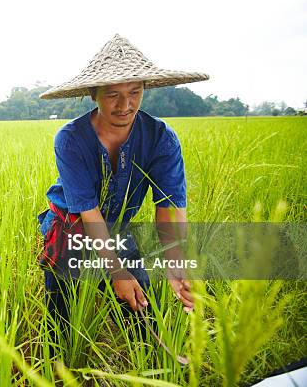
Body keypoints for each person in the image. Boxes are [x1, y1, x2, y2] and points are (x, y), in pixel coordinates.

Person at [37, 34, 209, 352]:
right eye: (113, 94)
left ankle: (155, 366)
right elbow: (88, 213)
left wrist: (175, 264)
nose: (125, 105)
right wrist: (115, 271)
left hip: (116, 230)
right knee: (62, 322)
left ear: (145, 88)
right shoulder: (70, 139)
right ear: (93, 94)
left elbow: (169, 208)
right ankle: (58, 366)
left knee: (142, 312)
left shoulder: (160, 139)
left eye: (134, 92)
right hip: (70, 228)